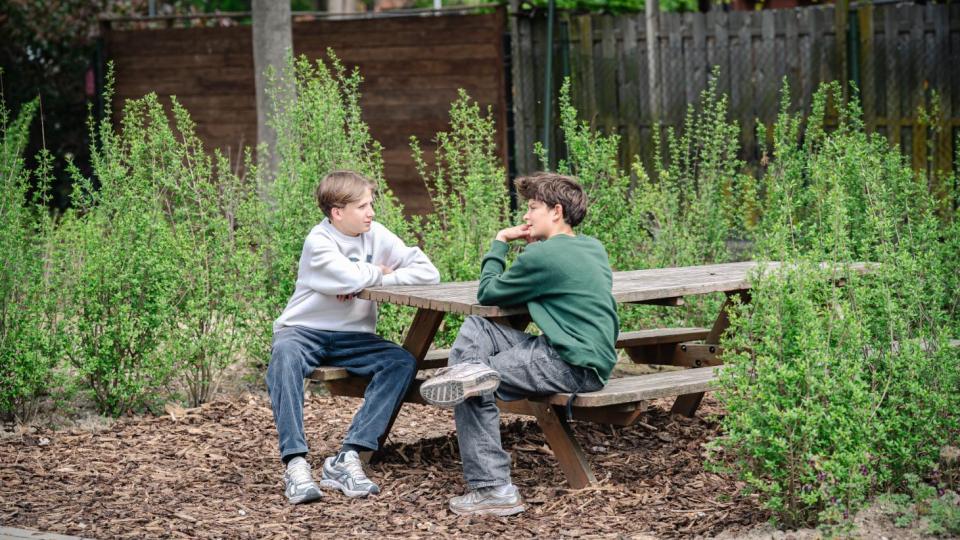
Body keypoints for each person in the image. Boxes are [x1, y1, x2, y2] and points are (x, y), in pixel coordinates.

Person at [420, 172, 620, 517]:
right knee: (479, 329)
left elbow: (488, 292)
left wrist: (500, 241)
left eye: (532, 207)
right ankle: (468, 374)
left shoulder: (541, 257)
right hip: (587, 357)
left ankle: (493, 489)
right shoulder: (592, 247)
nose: (526, 217)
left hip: (570, 362)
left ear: (556, 211)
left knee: (471, 385)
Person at [267, 170, 440, 504]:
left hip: (352, 338)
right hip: (303, 331)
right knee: (284, 356)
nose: (371, 212)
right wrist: (376, 272)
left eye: (370, 204)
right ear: (337, 212)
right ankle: (295, 462)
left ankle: (348, 457)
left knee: (400, 362)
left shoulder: (376, 234)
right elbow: (345, 278)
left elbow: (428, 272)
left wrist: (374, 280)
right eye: (362, 206)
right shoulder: (319, 241)